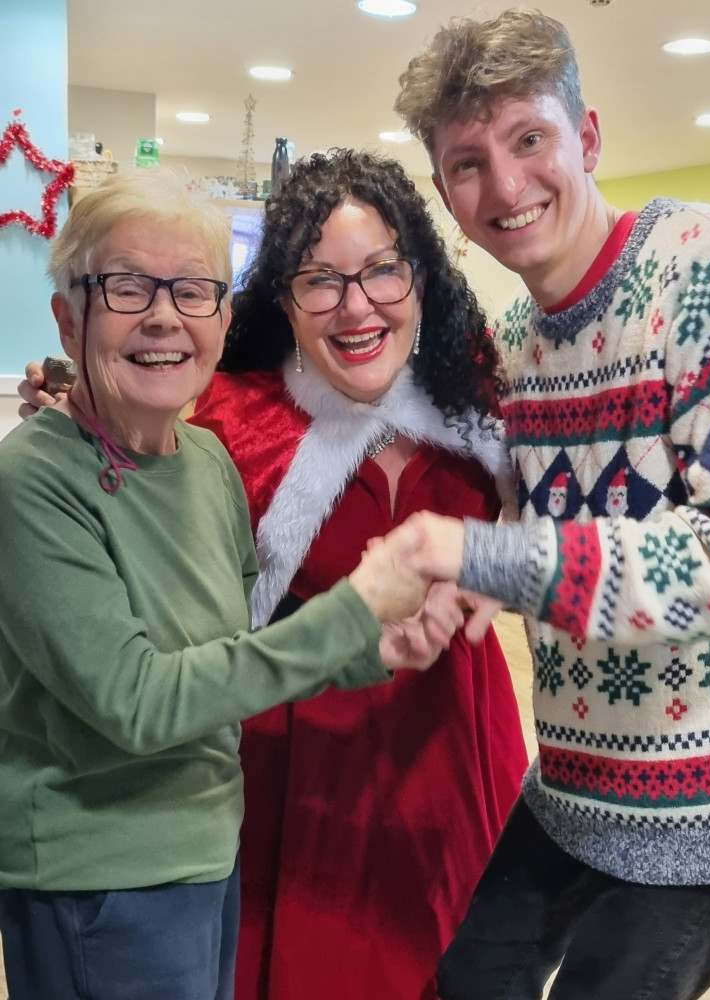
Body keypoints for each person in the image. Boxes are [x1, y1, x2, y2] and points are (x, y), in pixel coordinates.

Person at [18, 148, 529, 1000]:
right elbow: (142, 667)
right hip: (294, 771)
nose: (357, 304)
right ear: (283, 302)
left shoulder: (480, 399)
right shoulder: (234, 424)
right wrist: (69, 411)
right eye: (321, 279)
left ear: (423, 279)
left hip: (455, 745)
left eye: (381, 272)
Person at [395, 6, 710, 999]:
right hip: (570, 786)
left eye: (529, 140)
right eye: (468, 163)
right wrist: (471, 584)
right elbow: (542, 533)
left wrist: (474, 557)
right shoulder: (518, 342)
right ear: (445, 193)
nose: (505, 186)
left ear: (586, 139)